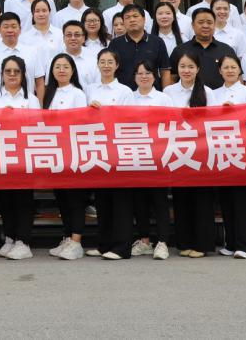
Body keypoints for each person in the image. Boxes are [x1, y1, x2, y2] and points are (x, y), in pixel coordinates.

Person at [0, 56, 39, 260]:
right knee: (4, 198)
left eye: (16, 71)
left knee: (23, 199)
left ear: (23, 75)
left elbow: (37, 126)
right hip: (1, 155)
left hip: (24, 155)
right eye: (8, 71)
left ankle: (23, 241)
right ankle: (9, 237)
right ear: (2, 74)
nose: (12, 75)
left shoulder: (31, 99)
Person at [84, 49, 135, 260]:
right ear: (97, 64)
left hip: (119, 149)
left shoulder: (125, 91)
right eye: (102, 61)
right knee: (102, 200)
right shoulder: (89, 89)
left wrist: (106, 112)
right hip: (98, 149)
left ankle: (122, 247)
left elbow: (129, 120)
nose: (106, 65)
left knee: (120, 200)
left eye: (110, 62)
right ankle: (104, 244)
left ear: (117, 65)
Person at [162, 53, 213, 258]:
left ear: (198, 69)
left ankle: (202, 244)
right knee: (181, 198)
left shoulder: (207, 92)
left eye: (191, 66)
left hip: (201, 151)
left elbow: (214, 120)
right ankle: (184, 242)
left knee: (202, 199)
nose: (186, 70)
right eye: (182, 66)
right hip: (177, 150)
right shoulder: (168, 92)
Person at [40, 53, 90, 260]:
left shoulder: (78, 93)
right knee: (62, 198)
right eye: (57, 67)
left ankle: (77, 241)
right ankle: (67, 236)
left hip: (73, 152)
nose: (61, 70)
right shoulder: (48, 93)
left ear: (72, 71)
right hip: (55, 152)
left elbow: (80, 121)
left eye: (66, 67)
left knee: (75, 198)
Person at [211, 54, 246, 259]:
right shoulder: (213, 94)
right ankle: (230, 243)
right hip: (221, 150)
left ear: (240, 70)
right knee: (226, 200)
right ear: (220, 71)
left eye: (233, 67)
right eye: (226, 67)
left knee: (242, 200)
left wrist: (234, 112)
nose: (229, 70)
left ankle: (244, 245)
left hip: (242, 150)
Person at [127, 59, 173, 261]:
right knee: (139, 201)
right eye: (140, 73)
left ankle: (162, 242)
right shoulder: (128, 98)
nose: (143, 76)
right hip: (135, 156)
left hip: (158, 156)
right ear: (134, 77)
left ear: (155, 76)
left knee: (160, 201)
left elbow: (172, 125)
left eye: (147, 73)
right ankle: (144, 241)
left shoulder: (163, 99)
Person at [168, 8, 238, 90]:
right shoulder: (180, 50)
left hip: (221, 96)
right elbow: (172, 77)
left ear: (214, 25)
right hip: (189, 96)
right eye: (201, 22)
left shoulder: (226, 50)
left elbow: (237, 77)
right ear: (192, 25)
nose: (205, 26)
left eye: (209, 22)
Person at [0, 12, 46, 99]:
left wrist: (39, 105)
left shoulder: (32, 52)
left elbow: (39, 83)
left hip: (27, 103)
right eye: (5, 27)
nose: (10, 30)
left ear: (20, 29)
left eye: (13, 26)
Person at [109, 4, 172, 90]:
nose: (132, 20)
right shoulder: (115, 44)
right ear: (123, 22)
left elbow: (165, 71)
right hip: (123, 94)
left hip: (152, 94)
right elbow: (110, 71)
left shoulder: (157, 42)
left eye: (135, 16)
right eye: (127, 17)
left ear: (144, 19)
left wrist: (166, 94)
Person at [58, 20, 98, 86]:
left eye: (77, 35)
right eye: (69, 35)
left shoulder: (93, 59)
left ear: (83, 38)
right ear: (63, 38)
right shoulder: (55, 60)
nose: (73, 38)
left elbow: (98, 85)